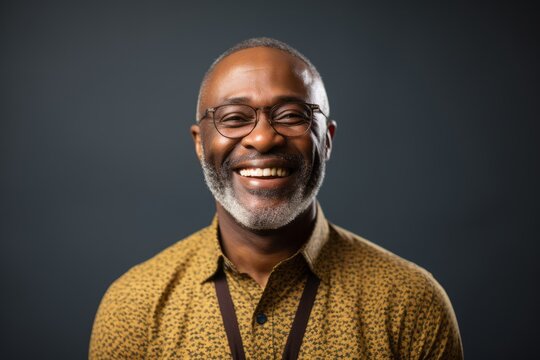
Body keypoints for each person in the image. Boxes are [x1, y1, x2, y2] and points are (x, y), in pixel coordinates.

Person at [89, 37, 463, 359]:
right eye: (234, 118)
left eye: (291, 115)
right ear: (200, 143)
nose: (264, 138)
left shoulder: (411, 303)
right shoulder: (133, 305)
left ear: (327, 139)